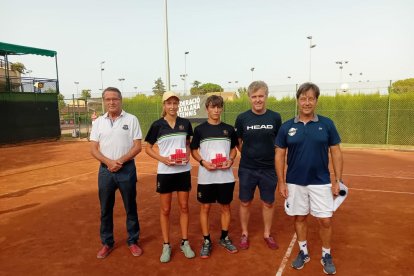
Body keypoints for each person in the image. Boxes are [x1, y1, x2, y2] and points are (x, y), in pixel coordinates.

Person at [275, 82, 343, 275]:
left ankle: (326, 254)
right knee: (300, 217)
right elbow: (279, 155)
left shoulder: (327, 124)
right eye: (303, 98)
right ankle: (303, 251)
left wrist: (337, 179)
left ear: (316, 101)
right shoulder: (287, 127)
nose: (307, 102)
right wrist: (281, 182)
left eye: (311, 98)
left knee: (325, 221)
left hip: (321, 181)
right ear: (298, 101)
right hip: (295, 182)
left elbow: (336, 152)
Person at [90, 87, 143, 259]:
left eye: (115, 99)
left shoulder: (132, 119)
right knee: (105, 209)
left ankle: (133, 241)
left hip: (126, 169)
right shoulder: (98, 122)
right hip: (105, 171)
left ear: (121, 100)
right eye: (108, 99)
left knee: (130, 207)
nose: (111, 102)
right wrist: (108, 162)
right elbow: (93, 148)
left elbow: (137, 146)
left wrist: (119, 161)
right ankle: (107, 243)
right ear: (104, 101)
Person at [145, 91, 195, 263]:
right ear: (164, 105)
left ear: (178, 105)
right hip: (165, 172)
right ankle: (166, 244)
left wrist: (187, 153)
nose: (172, 106)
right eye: (169, 103)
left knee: (184, 207)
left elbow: (188, 143)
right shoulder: (157, 125)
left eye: (175, 103)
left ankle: (184, 242)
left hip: (183, 171)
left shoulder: (185, 123)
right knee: (165, 210)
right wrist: (163, 159)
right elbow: (148, 148)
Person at [234, 81, 282, 250]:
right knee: (245, 202)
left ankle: (267, 234)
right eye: (254, 96)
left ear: (266, 96)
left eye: (261, 96)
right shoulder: (242, 118)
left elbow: (279, 143)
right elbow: (238, 142)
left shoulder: (275, 118)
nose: (258, 100)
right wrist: (248, 154)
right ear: (249, 98)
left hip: (269, 169)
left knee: (268, 203)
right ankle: (245, 233)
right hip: (247, 168)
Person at [190, 95, 239, 258]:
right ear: (207, 109)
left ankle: (224, 238)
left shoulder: (229, 129)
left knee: (226, 207)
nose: (216, 110)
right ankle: (206, 241)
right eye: (213, 107)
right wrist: (203, 162)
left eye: (219, 107)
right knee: (205, 208)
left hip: (225, 177)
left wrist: (231, 160)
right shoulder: (199, 130)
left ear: (222, 108)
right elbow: (194, 150)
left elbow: (234, 149)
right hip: (206, 177)